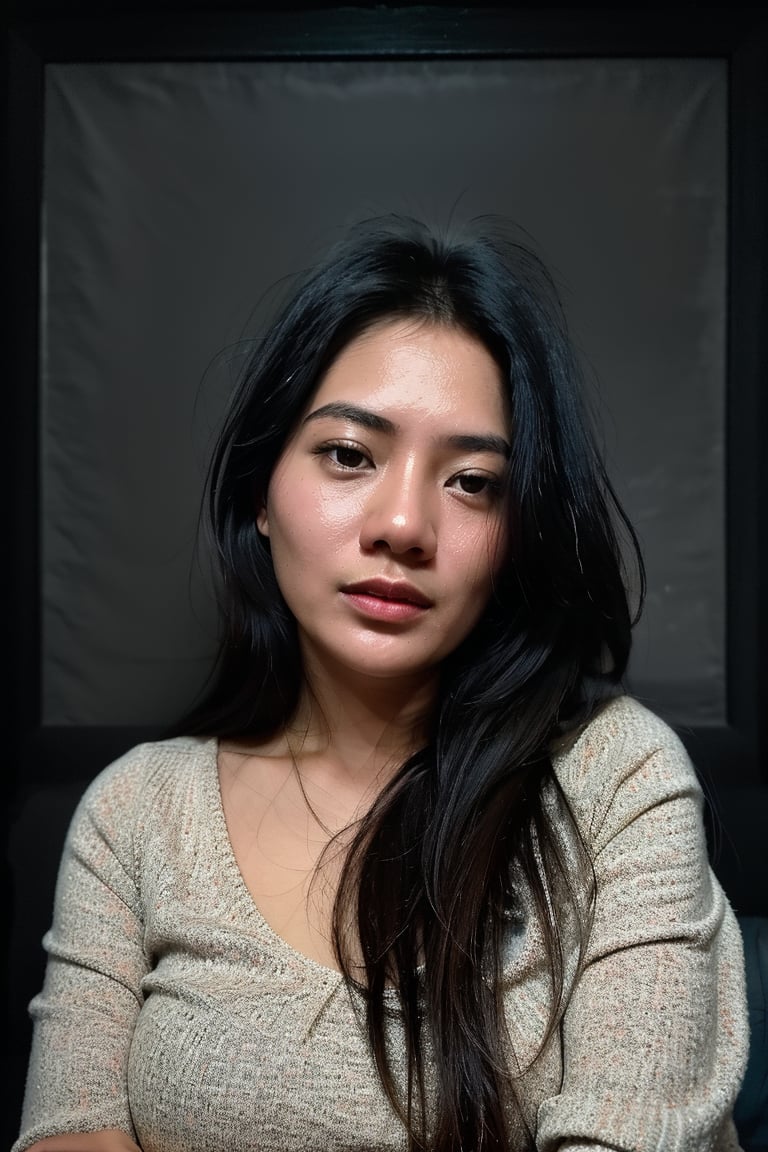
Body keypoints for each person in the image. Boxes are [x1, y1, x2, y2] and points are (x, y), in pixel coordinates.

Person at [15, 216, 748, 1152]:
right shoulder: (136, 814)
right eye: (349, 455)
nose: (404, 523)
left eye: (474, 481)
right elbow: (67, 1136)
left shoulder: (618, 779)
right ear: (260, 495)